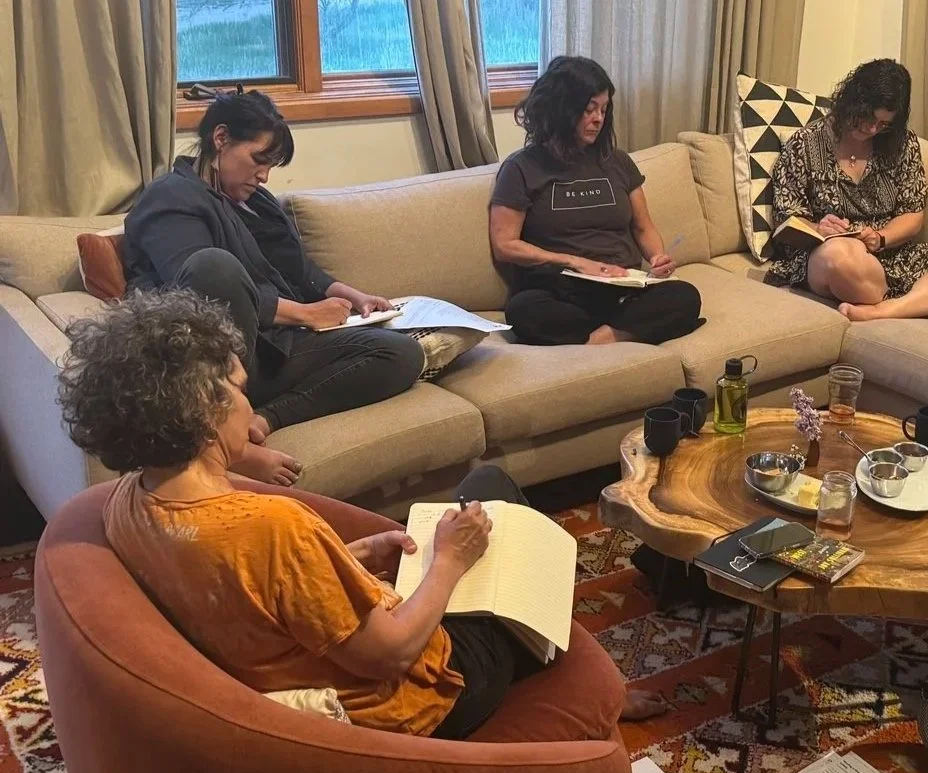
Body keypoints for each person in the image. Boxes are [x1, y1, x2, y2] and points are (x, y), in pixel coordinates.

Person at [57, 290, 667, 738]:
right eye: (239, 389)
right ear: (202, 407)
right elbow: (389, 655)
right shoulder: (270, 527)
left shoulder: (128, 503)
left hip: (316, 658)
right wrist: (450, 561)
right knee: (497, 503)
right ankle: (595, 693)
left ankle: (579, 677)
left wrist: (347, 559)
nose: (248, 401)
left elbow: (247, 591)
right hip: (422, 697)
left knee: (480, 498)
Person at [124, 88, 425, 487]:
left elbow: (298, 270)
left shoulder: (256, 201)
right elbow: (198, 284)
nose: (264, 176)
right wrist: (306, 313)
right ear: (221, 138)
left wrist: (350, 295)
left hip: (275, 350)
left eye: (270, 166)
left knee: (402, 353)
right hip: (214, 361)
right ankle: (229, 441)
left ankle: (264, 418)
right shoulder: (170, 197)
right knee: (215, 265)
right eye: (258, 160)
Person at [489, 56, 704, 346]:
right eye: (589, 109)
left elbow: (643, 227)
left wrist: (656, 257)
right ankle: (627, 332)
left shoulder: (617, 162)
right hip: (561, 289)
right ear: (561, 109)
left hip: (622, 289)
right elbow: (505, 245)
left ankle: (595, 341)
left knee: (685, 296)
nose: (599, 118)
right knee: (522, 311)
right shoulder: (521, 168)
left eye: (603, 109)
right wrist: (574, 262)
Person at [766, 59, 928, 321]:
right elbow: (787, 219)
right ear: (852, 101)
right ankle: (923, 299)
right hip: (828, 254)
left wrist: (881, 237)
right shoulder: (805, 143)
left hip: (890, 256)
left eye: (883, 124)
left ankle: (886, 309)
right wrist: (820, 228)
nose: (872, 129)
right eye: (868, 117)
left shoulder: (901, 144)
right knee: (839, 257)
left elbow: (912, 214)